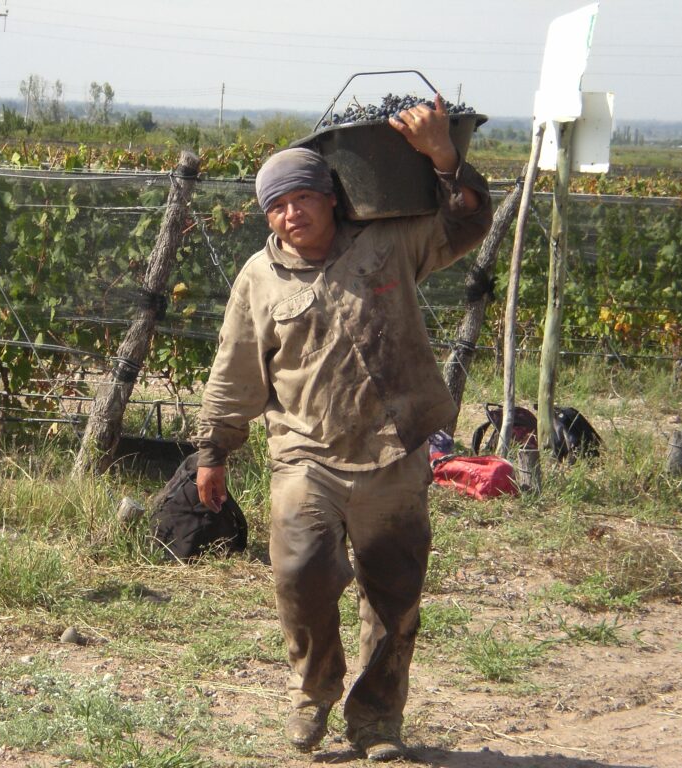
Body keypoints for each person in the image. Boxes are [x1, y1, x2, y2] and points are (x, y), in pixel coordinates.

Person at [194, 96, 492, 761]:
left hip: (393, 449)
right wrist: (213, 451)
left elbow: (466, 222)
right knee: (300, 574)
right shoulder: (259, 280)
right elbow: (235, 369)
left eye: (300, 198)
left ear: (332, 197)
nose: (289, 214)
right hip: (306, 454)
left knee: (394, 593)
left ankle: (377, 722)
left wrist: (445, 156)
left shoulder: (388, 243)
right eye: (275, 206)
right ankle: (314, 689)